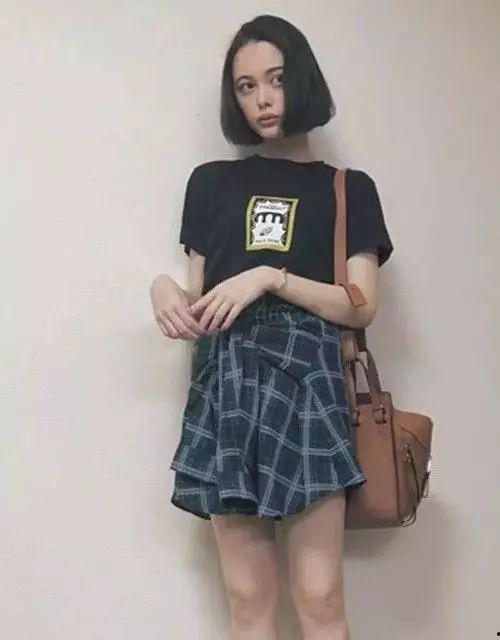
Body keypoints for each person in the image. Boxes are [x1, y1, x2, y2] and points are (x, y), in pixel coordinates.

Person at [150, 14, 393, 640]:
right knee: (247, 600)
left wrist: (270, 277)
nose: (262, 98)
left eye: (276, 80)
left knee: (320, 596)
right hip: (227, 386)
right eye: (246, 86)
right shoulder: (211, 183)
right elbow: (200, 298)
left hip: (309, 387)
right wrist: (163, 291)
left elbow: (361, 304)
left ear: (302, 80)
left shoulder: (347, 189)